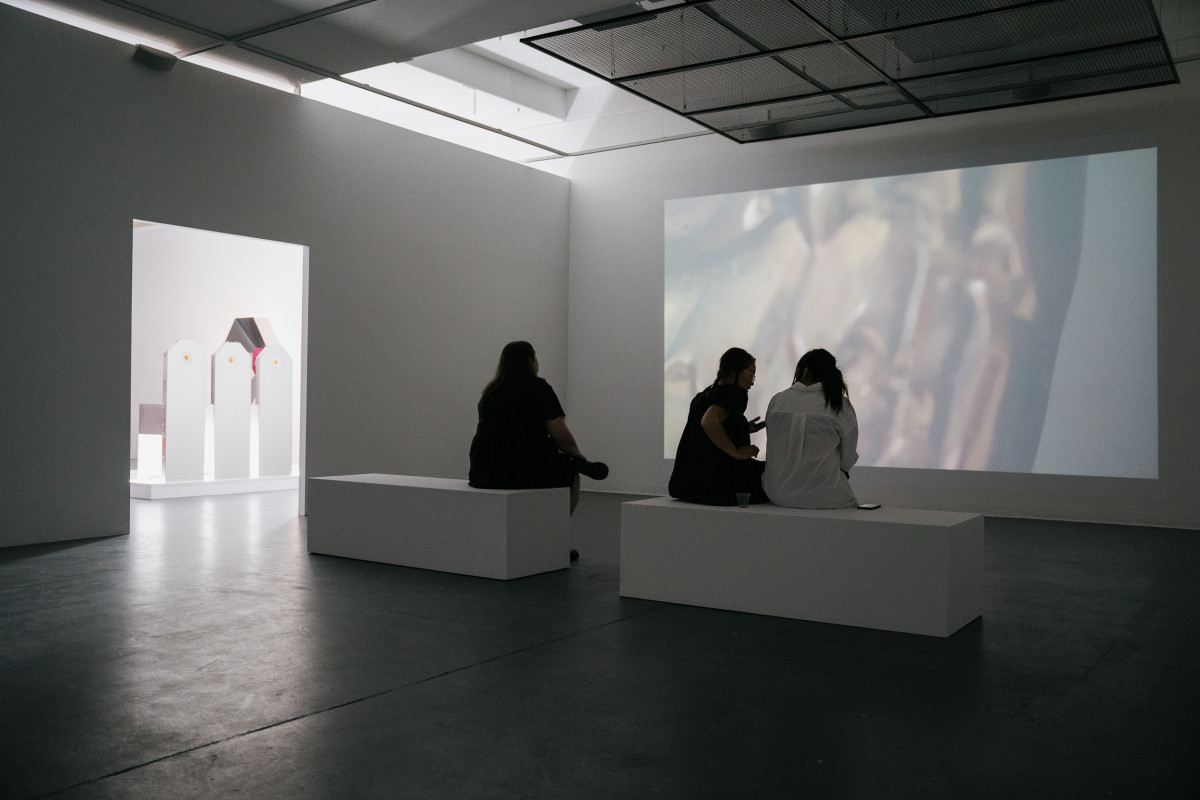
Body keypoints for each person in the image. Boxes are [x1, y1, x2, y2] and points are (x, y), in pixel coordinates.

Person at [468, 341, 607, 528]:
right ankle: (556, 534)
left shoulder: (489, 392)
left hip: (483, 472)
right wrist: (579, 459)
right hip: (523, 469)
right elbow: (561, 438)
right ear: (530, 361)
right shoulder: (538, 388)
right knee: (572, 475)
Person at [668, 347, 767, 505]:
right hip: (717, 485)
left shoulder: (705, 395)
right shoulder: (735, 394)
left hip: (689, 484)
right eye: (751, 375)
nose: (752, 382)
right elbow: (709, 421)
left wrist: (742, 427)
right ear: (734, 372)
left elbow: (704, 431)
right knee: (771, 474)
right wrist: (736, 453)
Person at [762, 348, 859, 509]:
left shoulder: (777, 401)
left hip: (777, 494)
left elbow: (772, 445)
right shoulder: (839, 405)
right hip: (825, 496)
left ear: (805, 371)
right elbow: (847, 460)